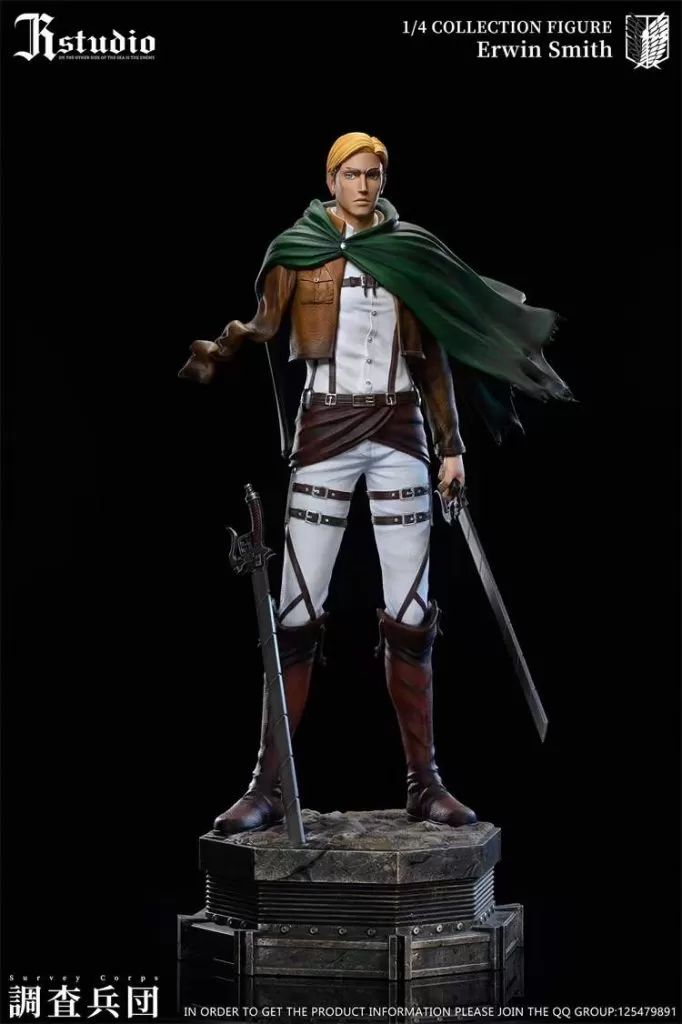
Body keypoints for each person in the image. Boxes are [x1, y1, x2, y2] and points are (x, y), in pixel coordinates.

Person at [179, 132, 571, 834]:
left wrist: (451, 448)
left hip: (399, 431)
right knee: (295, 608)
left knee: (412, 611)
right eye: (353, 174)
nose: (364, 185)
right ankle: (268, 786)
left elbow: (432, 358)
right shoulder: (296, 250)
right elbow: (267, 324)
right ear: (331, 178)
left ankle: (425, 782)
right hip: (325, 430)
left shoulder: (407, 251)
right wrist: (225, 344)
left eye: (375, 174)